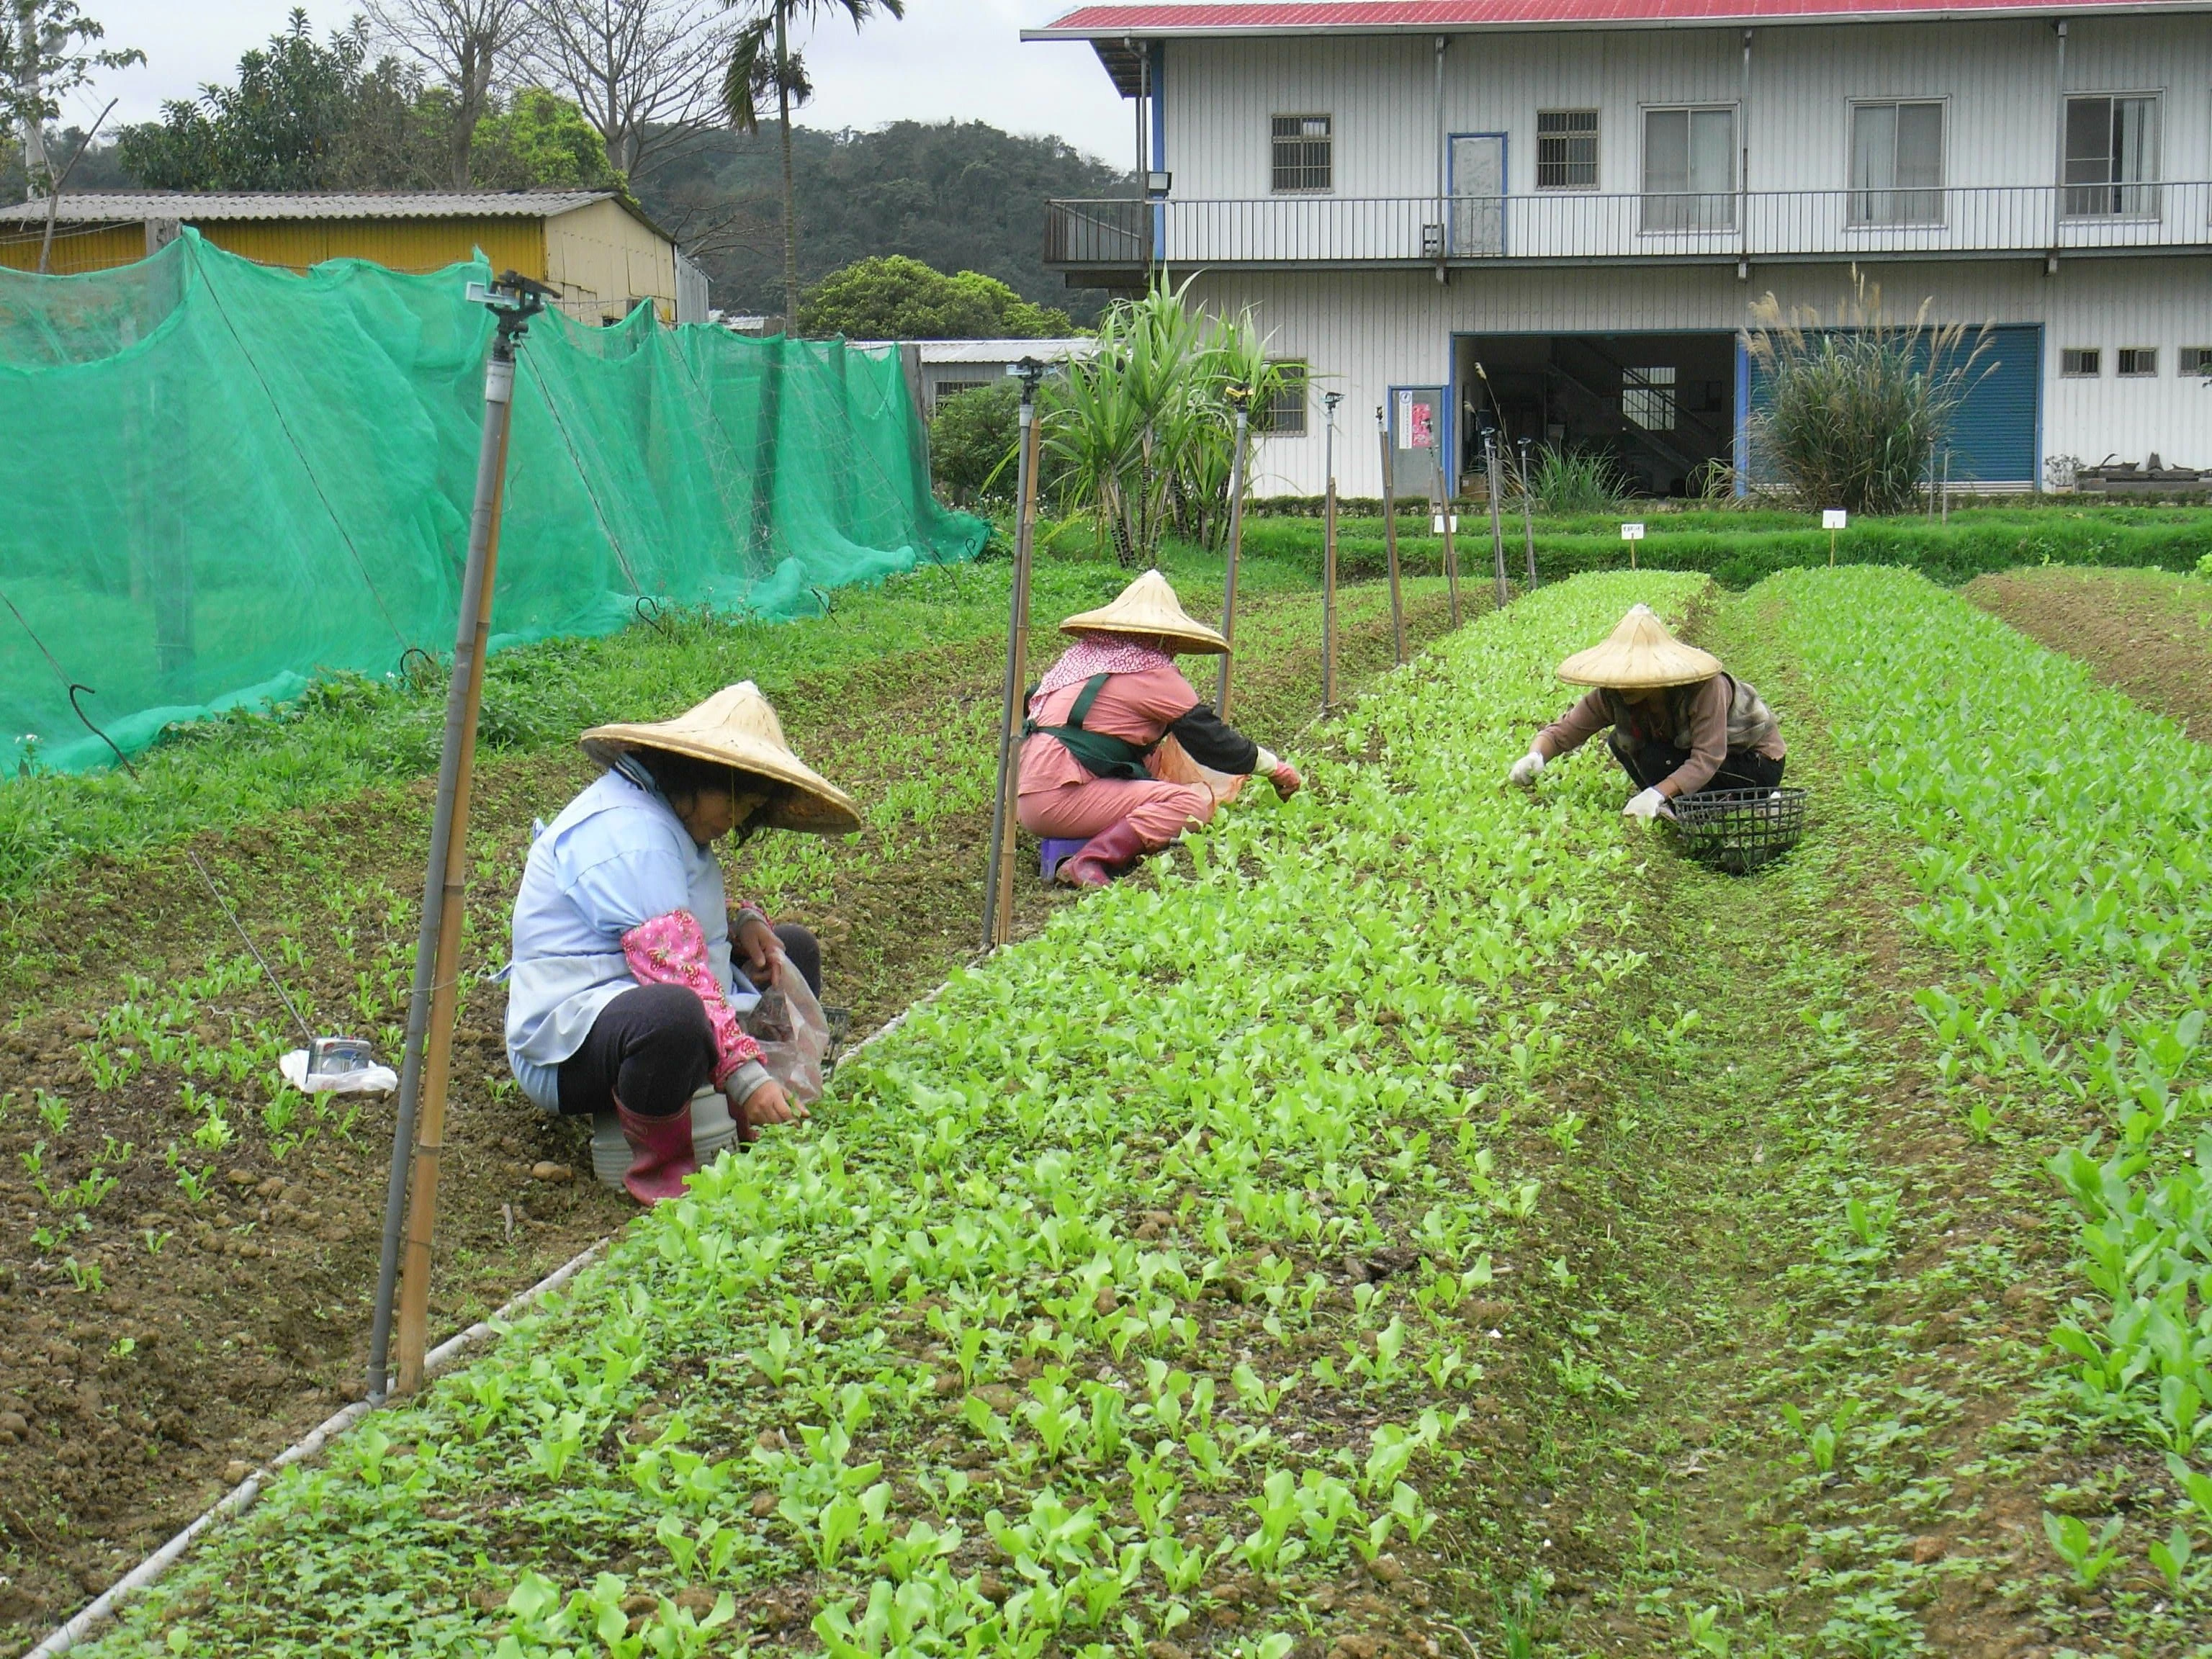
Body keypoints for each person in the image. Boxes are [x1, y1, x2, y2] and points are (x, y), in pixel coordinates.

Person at [503, 681, 859, 1205]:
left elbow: (680, 914)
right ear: (694, 777)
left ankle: (750, 1112)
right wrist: (745, 1079)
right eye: (734, 802)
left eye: (750, 809)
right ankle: (666, 1170)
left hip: (647, 995)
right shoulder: (628, 831)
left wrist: (743, 930)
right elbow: (674, 969)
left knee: (791, 950)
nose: (735, 820)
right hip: (571, 1042)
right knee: (672, 1014)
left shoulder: (663, 816)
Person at [1017, 570, 1303, 888]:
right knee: (1190, 805)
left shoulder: (1078, 662)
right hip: (1060, 798)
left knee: (1155, 756)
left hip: (1030, 790)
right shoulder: (1152, 673)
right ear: (1165, 637)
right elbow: (1212, 741)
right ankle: (1091, 860)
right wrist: (1275, 768)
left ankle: (1110, 837)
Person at [1509, 603, 1785, 817]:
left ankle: (1751, 799)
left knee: (1656, 761)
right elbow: (1562, 733)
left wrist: (1656, 793)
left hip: (1752, 762)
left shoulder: (1703, 689)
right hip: (1706, 763)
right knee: (1623, 743)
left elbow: (1708, 758)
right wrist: (1536, 755)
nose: (1626, 685)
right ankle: (1686, 805)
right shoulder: (1612, 695)